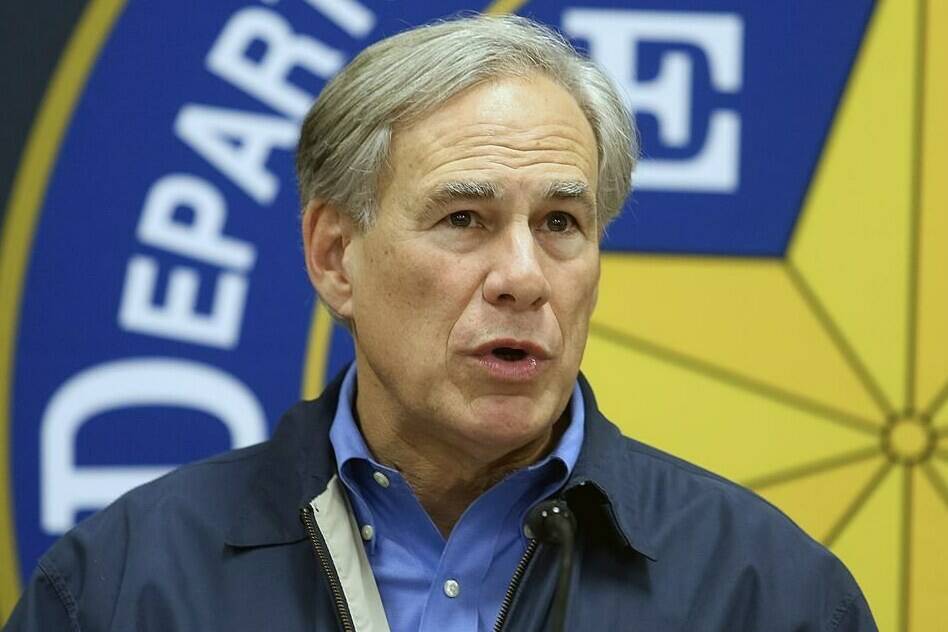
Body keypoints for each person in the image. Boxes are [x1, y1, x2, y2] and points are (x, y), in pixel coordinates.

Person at [4, 14, 876, 632]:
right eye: (464, 220)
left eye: (561, 224)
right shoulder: (122, 587)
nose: (525, 278)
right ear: (335, 256)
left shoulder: (770, 596)